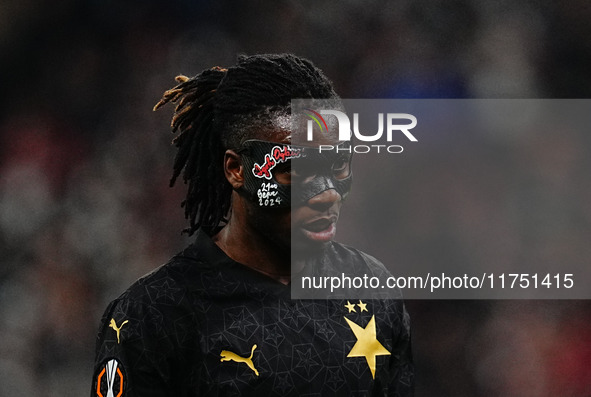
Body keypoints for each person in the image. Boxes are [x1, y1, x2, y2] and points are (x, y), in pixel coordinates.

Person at [90, 53, 413, 396]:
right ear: (236, 169)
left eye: (337, 166)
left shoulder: (371, 286)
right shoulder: (155, 313)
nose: (326, 194)